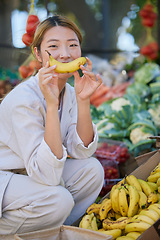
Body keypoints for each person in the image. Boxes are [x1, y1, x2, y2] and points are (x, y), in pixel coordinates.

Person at [0, 14, 104, 234]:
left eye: (72, 45)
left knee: (92, 170)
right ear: (38, 54)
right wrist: (50, 104)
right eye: (54, 46)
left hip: (29, 174)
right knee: (58, 200)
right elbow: (46, 175)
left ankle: (60, 230)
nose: (65, 54)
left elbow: (81, 152)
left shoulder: (69, 91)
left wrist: (83, 100)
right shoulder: (23, 100)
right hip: (5, 178)